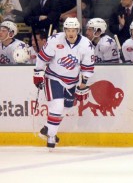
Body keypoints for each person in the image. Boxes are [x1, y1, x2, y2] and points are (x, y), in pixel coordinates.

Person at [33, 17, 95, 148]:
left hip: (72, 81)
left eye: (73, 30)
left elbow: (87, 66)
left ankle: (47, 128)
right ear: (64, 30)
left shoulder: (86, 44)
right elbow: (42, 57)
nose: (71, 33)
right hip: (53, 77)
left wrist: (82, 85)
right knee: (57, 106)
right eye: (68, 30)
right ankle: (51, 138)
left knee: (66, 107)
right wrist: (38, 72)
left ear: (78, 30)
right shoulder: (54, 40)